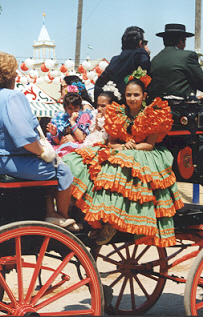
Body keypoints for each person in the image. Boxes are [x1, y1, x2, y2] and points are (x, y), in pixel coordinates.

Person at [63, 68, 184, 247]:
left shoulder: (154, 114)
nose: (132, 99)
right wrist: (121, 147)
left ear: (144, 96)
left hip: (146, 153)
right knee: (77, 159)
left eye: (136, 95)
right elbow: (111, 143)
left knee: (120, 163)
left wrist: (131, 146)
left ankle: (112, 221)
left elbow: (149, 145)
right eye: (129, 95)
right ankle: (78, 212)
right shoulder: (118, 113)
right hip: (120, 148)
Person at [0, 51, 79, 231]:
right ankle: (62, 219)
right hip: (13, 160)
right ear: (12, 76)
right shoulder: (13, 97)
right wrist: (42, 151)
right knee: (63, 171)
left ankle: (50, 211)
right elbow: (24, 138)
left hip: (4, 160)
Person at [148, 23, 203, 180]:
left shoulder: (155, 60)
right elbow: (201, 81)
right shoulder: (187, 56)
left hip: (159, 112)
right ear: (181, 40)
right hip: (181, 113)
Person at [94, 26, 151, 103]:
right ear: (140, 43)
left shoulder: (114, 60)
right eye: (144, 43)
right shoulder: (139, 54)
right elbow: (146, 65)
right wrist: (146, 52)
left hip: (117, 106)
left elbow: (100, 83)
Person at [46, 92, 93, 156]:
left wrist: (72, 121)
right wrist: (54, 134)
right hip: (62, 149)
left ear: (80, 107)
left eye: (76, 107)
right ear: (65, 108)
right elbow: (59, 142)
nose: (73, 110)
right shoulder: (61, 118)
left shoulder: (84, 116)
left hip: (78, 149)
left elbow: (81, 138)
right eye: (70, 108)